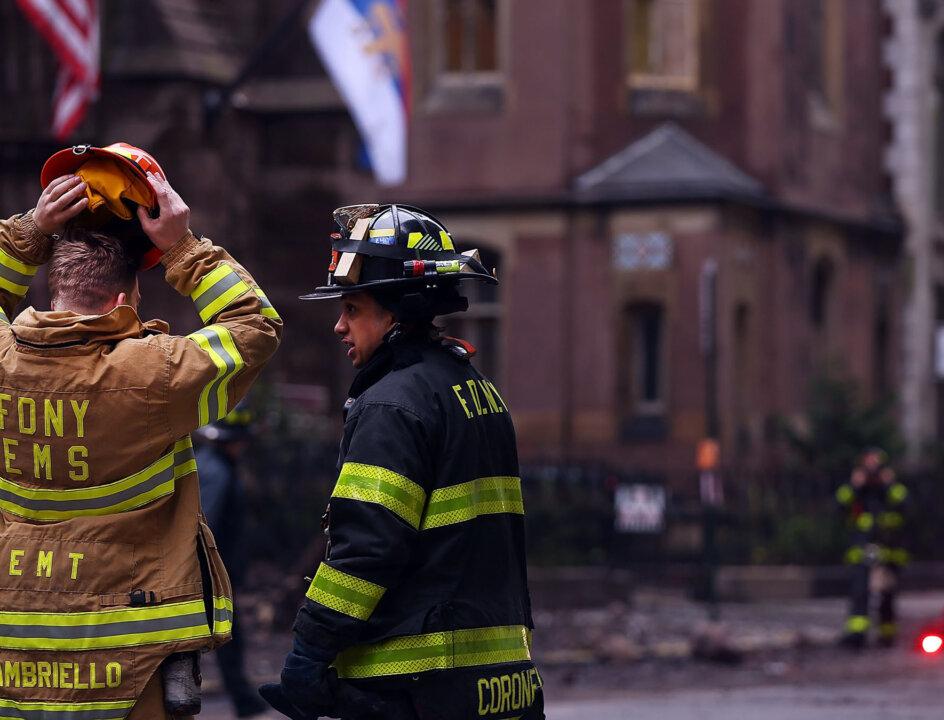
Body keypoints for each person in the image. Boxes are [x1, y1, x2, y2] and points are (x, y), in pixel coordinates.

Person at [0, 144, 282, 719]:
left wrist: (29, 231)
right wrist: (183, 247)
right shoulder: (153, 374)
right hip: (134, 662)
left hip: (14, 655)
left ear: (53, 282)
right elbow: (253, 327)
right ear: (126, 296)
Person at [260, 204, 542, 720]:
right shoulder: (479, 391)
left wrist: (309, 653)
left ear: (395, 312)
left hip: (413, 683)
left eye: (353, 309)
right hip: (503, 684)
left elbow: (366, 548)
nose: (339, 326)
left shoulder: (392, 404)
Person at [194, 401, 269, 718]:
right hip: (214, 576)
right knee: (225, 640)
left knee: (223, 639)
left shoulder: (213, 465)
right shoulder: (218, 473)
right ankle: (243, 701)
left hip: (217, 574)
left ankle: (244, 700)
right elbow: (204, 528)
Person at [835, 448, 910, 649]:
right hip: (861, 551)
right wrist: (855, 485)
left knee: (887, 596)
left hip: (889, 552)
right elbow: (840, 504)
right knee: (859, 594)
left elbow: (905, 504)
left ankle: (887, 636)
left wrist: (889, 484)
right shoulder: (855, 488)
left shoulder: (892, 488)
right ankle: (857, 635)